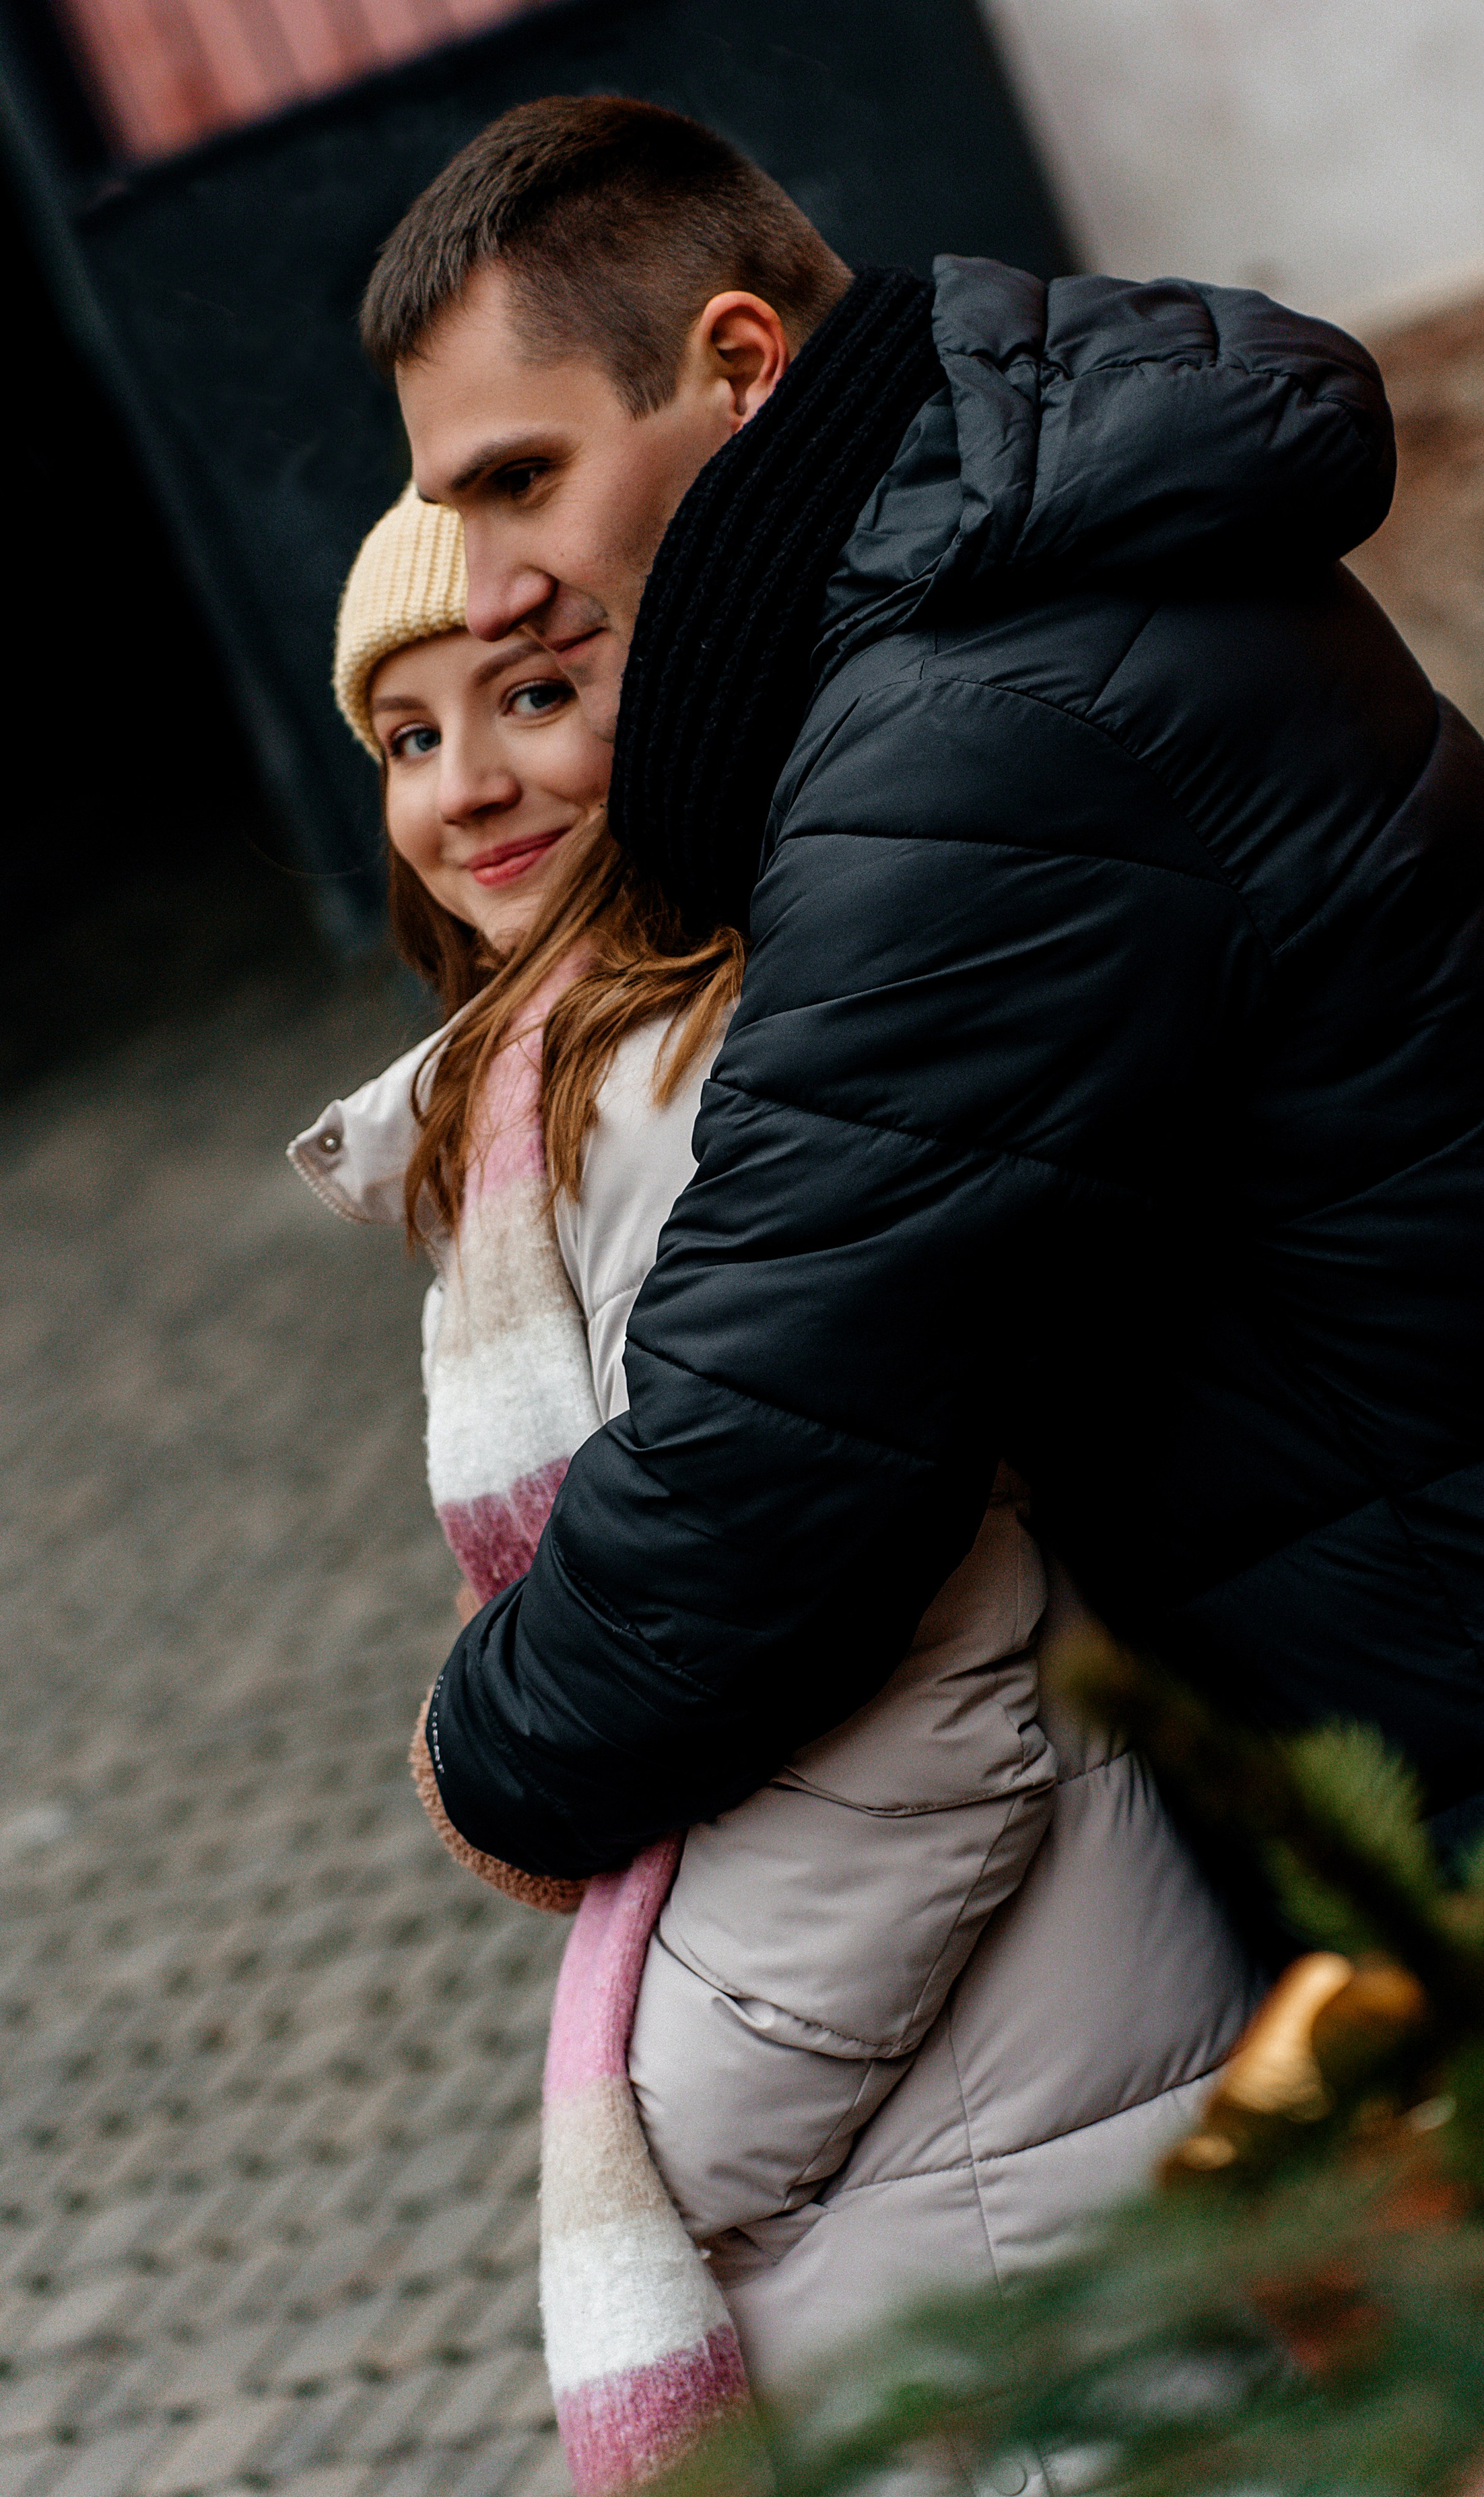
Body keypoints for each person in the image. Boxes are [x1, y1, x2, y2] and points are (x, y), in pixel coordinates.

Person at [374, 95, 1484, 1889]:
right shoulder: (1026, 571)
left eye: (523, 480)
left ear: (743, 367)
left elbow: (772, 1455)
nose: (497, 586)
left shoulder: (968, 742)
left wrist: (488, 1759)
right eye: (457, 509)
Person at [290, 488, 1258, 2426]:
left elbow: (936, 1683)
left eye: (536, 693)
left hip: (975, 2116)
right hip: (953, 2102)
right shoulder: (555, 1096)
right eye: (408, 735)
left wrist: (673, 2133)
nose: (467, 783)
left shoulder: (682, 1087)